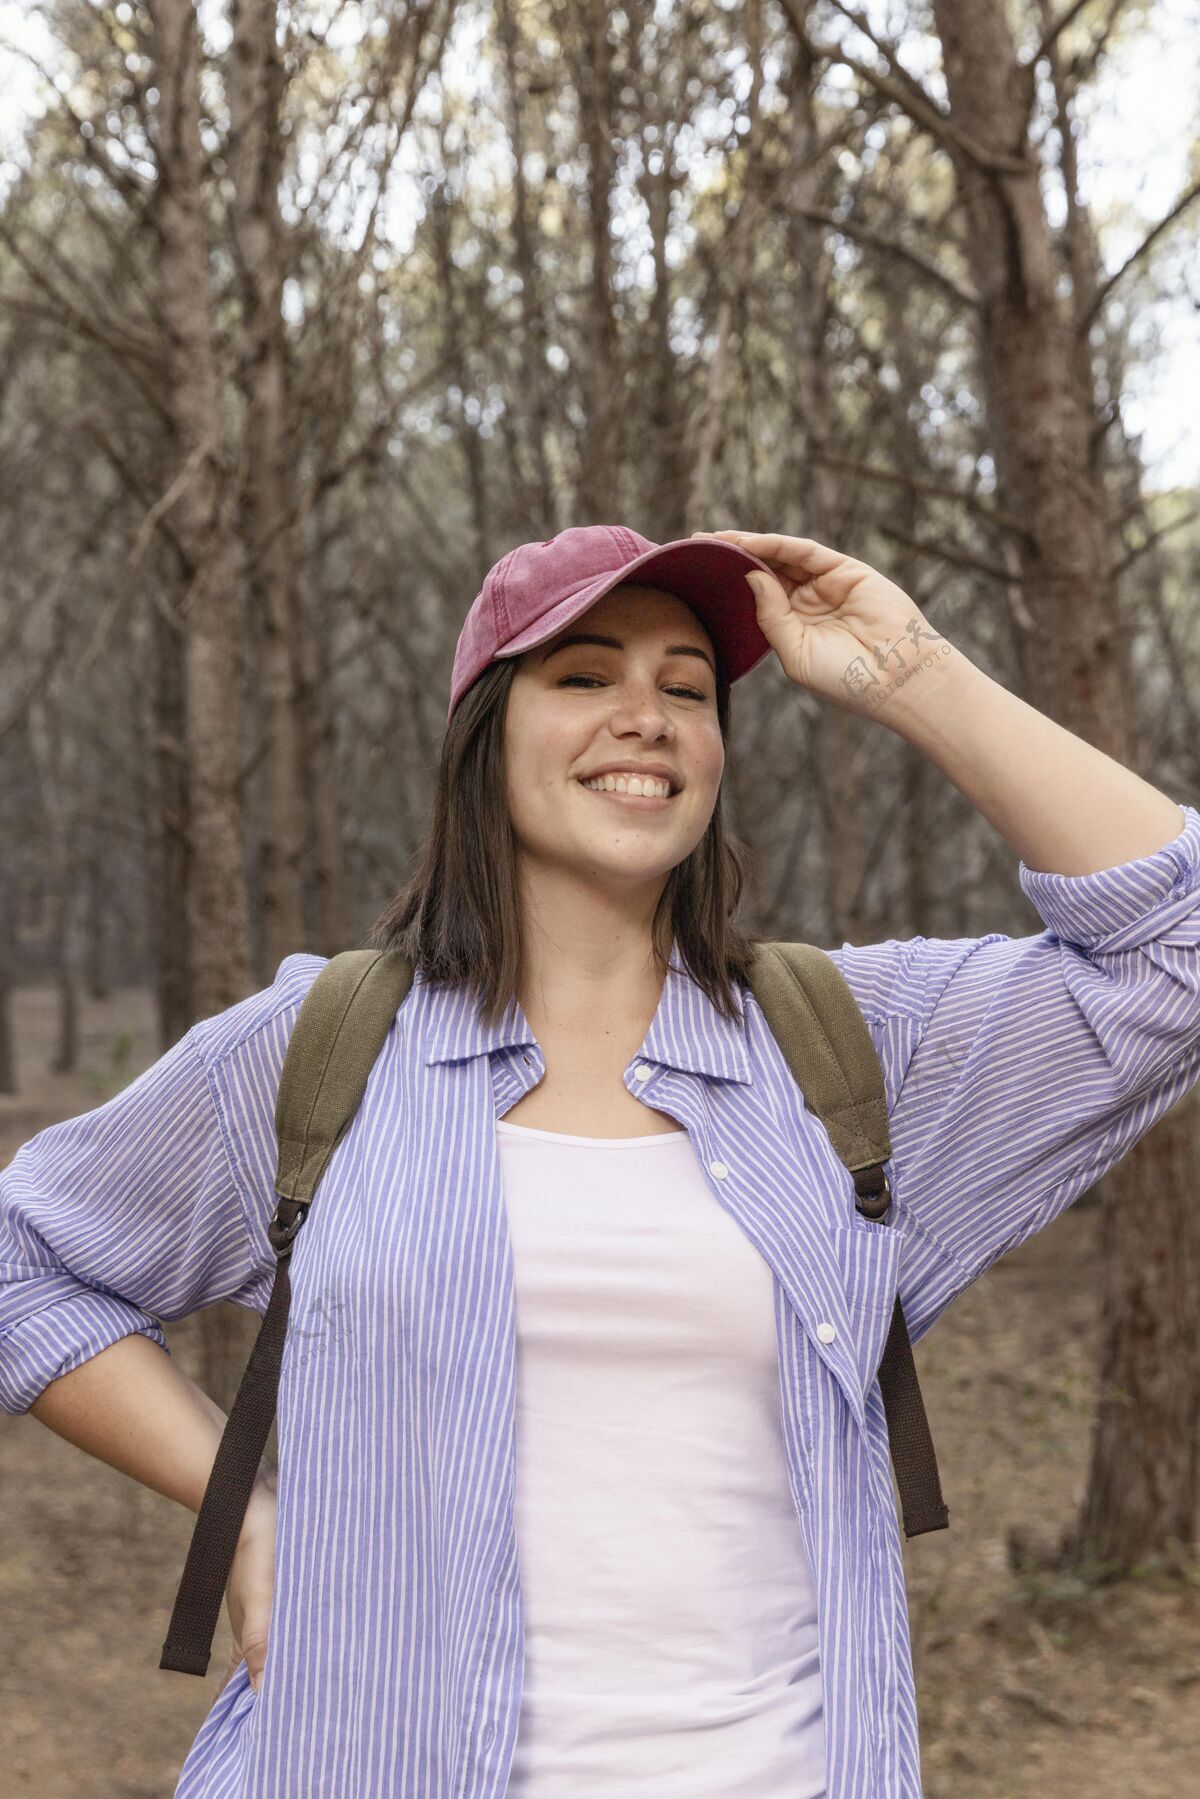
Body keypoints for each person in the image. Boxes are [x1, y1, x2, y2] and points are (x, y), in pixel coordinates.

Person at [2, 522, 1197, 1799]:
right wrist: (243, 1508)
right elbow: (27, 1259)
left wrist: (912, 672)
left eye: (688, 688)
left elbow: (1174, 949)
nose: (648, 716)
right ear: (486, 734)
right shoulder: (316, 1050)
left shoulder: (855, 1045)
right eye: (583, 676)